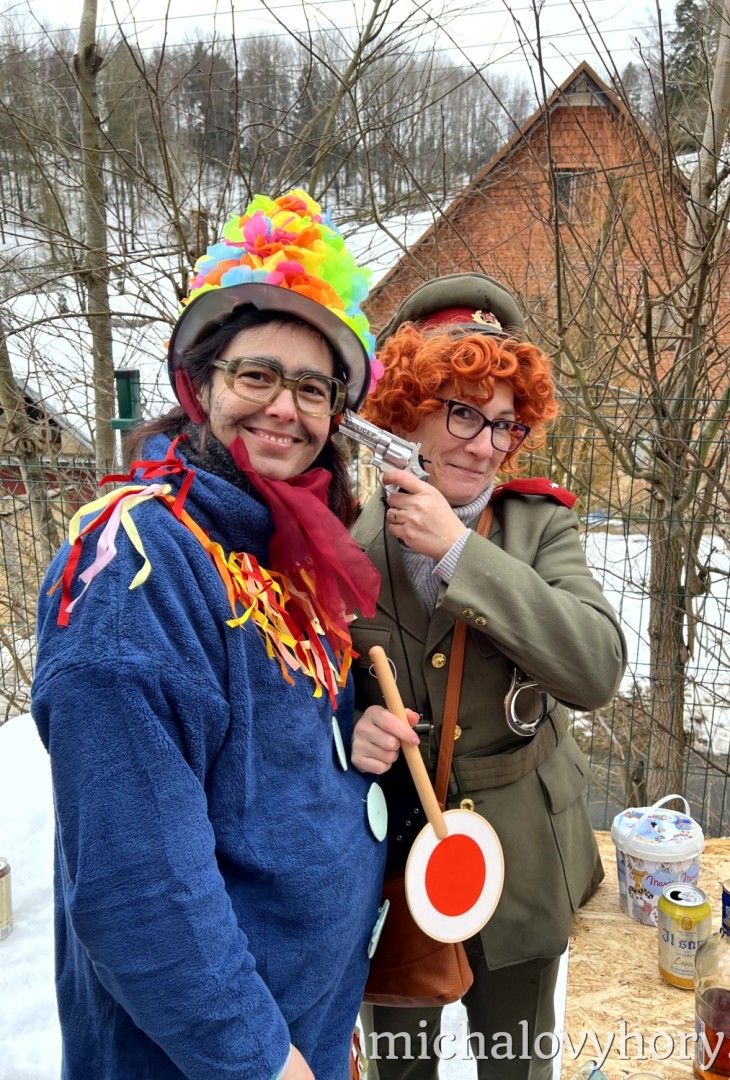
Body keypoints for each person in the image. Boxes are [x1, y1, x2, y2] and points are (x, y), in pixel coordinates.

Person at [31, 190, 388, 1080]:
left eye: (313, 388)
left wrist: (349, 737)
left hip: (306, 1021)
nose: (285, 409)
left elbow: (258, 750)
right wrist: (261, 1057)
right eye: (257, 375)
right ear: (201, 385)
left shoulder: (278, 549)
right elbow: (137, 886)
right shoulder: (139, 568)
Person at [350, 273, 628, 1080]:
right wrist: (353, 732)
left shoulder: (539, 528)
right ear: (405, 410)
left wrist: (460, 553)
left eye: (504, 423)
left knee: (518, 1063)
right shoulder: (345, 546)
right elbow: (310, 707)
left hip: (523, 865)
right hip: (398, 865)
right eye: (462, 412)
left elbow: (596, 668)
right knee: (399, 1065)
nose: (484, 446)